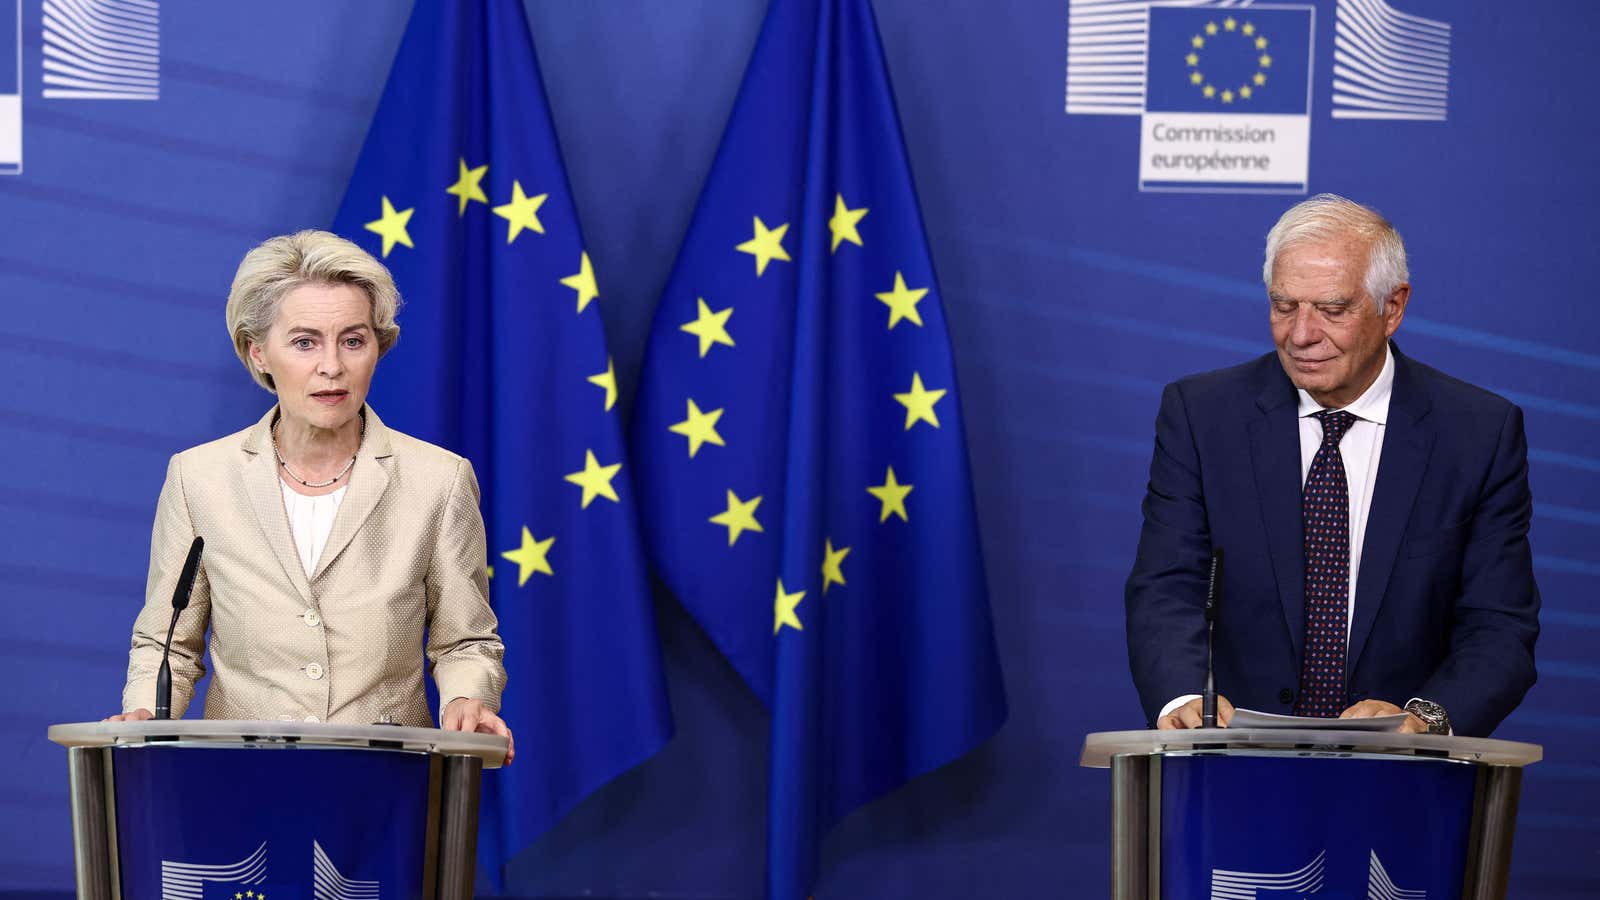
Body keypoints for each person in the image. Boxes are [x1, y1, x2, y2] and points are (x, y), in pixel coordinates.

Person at [1125, 194, 1539, 738]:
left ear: (1393, 308)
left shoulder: (1477, 433)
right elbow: (1166, 586)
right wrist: (1182, 697)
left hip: (1403, 780)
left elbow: (1499, 625)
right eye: (1284, 305)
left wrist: (1427, 717)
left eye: (1332, 310)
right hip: (1229, 764)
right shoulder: (1202, 417)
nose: (1301, 335)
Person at [110, 230, 514, 761]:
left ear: (378, 346)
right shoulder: (199, 478)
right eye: (304, 342)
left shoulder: (439, 480)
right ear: (258, 353)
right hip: (241, 782)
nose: (332, 366)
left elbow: (466, 642)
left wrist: (467, 698)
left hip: (387, 784)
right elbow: (168, 646)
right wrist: (145, 712)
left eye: (353, 340)